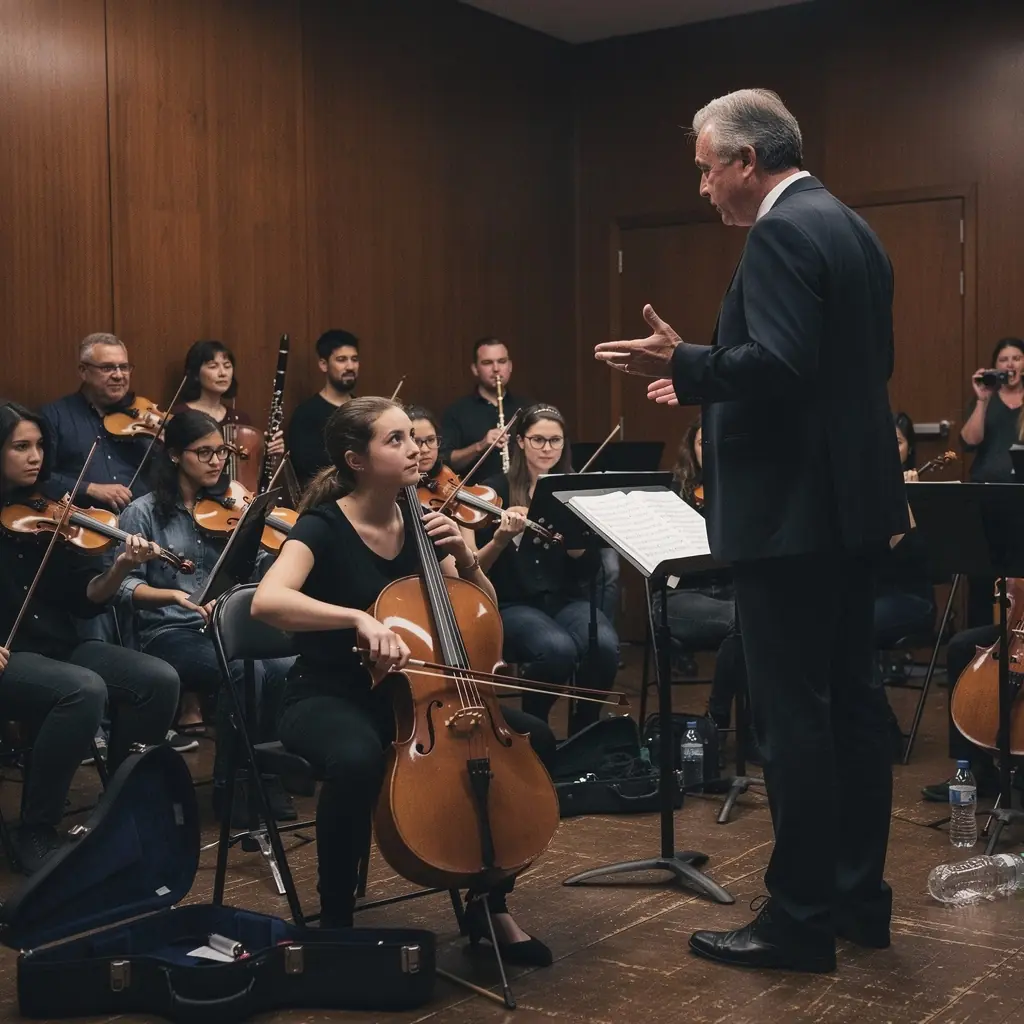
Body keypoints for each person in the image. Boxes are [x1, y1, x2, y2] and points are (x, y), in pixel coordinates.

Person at [595, 89, 907, 972]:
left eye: (704, 168)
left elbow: (781, 364)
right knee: (852, 707)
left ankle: (798, 921)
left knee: (792, 718)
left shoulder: (778, 231)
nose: (702, 187)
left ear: (745, 161)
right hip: (847, 513)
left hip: (790, 521)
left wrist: (687, 363)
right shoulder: (850, 227)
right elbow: (843, 370)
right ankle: (857, 902)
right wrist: (708, 367)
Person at [252, 397, 555, 965]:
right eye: (395, 440)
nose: (415, 448)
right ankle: (336, 918)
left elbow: (479, 612)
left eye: (412, 438)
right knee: (357, 759)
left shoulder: (423, 522)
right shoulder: (323, 525)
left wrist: (465, 559)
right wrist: (357, 617)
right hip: (328, 693)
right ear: (356, 460)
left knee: (532, 737)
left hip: (421, 697)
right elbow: (267, 602)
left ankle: (492, 907)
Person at [0, 401, 179, 873]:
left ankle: (120, 809)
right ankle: (36, 827)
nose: (35, 456)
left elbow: (86, 599)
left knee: (157, 679)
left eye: (39, 446)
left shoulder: (53, 515)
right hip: (9, 654)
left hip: (60, 646)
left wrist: (119, 566)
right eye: (21, 447)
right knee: (82, 690)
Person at [117, 410, 294, 822]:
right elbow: (126, 589)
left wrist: (277, 551)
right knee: (243, 671)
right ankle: (229, 785)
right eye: (205, 453)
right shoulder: (143, 513)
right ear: (176, 455)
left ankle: (263, 771)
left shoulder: (229, 507)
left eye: (222, 452)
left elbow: (248, 572)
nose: (217, 462)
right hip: (168, 630)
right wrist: (177, 598)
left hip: (224, 624)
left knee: (286, 665)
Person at [472, 404, 619, 733]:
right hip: (512, 604)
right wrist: (500, 538)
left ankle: (585, 731)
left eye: (555, 440)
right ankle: (534, 730)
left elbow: (590, 572)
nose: (547, 448)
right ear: (521, 442)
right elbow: (474, 568)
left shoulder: (573, 491)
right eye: (538, 440)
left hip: (566, 601)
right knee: (556, 650)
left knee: (605, 646)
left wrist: (578, 542)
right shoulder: (493, 490)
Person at [40, 333, 153, 513]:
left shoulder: (142, 418)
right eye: (107, 368)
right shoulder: (55, 416)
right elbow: (41, 477)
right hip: (85, 527)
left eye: (124, 367)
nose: (118, 375)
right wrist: (91, 489)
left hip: (142, 521)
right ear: (83, 371)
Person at [961, 338, 1024, 627]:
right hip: (986, 500)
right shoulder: (987, 399)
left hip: (1019, 502)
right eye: (1003, 359)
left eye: (1017, 358)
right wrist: (982, 399)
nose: (1010, 364)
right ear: (994, 366)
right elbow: (970, 440)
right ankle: (977, 651)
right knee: (982, 577)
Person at [441, 338, 528, 482]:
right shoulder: (457, 412)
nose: (496, 369)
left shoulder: (527, 408)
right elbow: (446, 461)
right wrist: (480, 446)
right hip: (478, 497)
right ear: (475, 369)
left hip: (522, 492)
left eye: (502, 361)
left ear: (510, 366)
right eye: (487, 363)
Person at [288, 330, 360, 485]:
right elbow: (308, 469)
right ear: (323, 364)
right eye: (341, 360)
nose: (350, 366)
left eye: (354, 359)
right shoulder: (306, 414)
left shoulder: (362, 409)